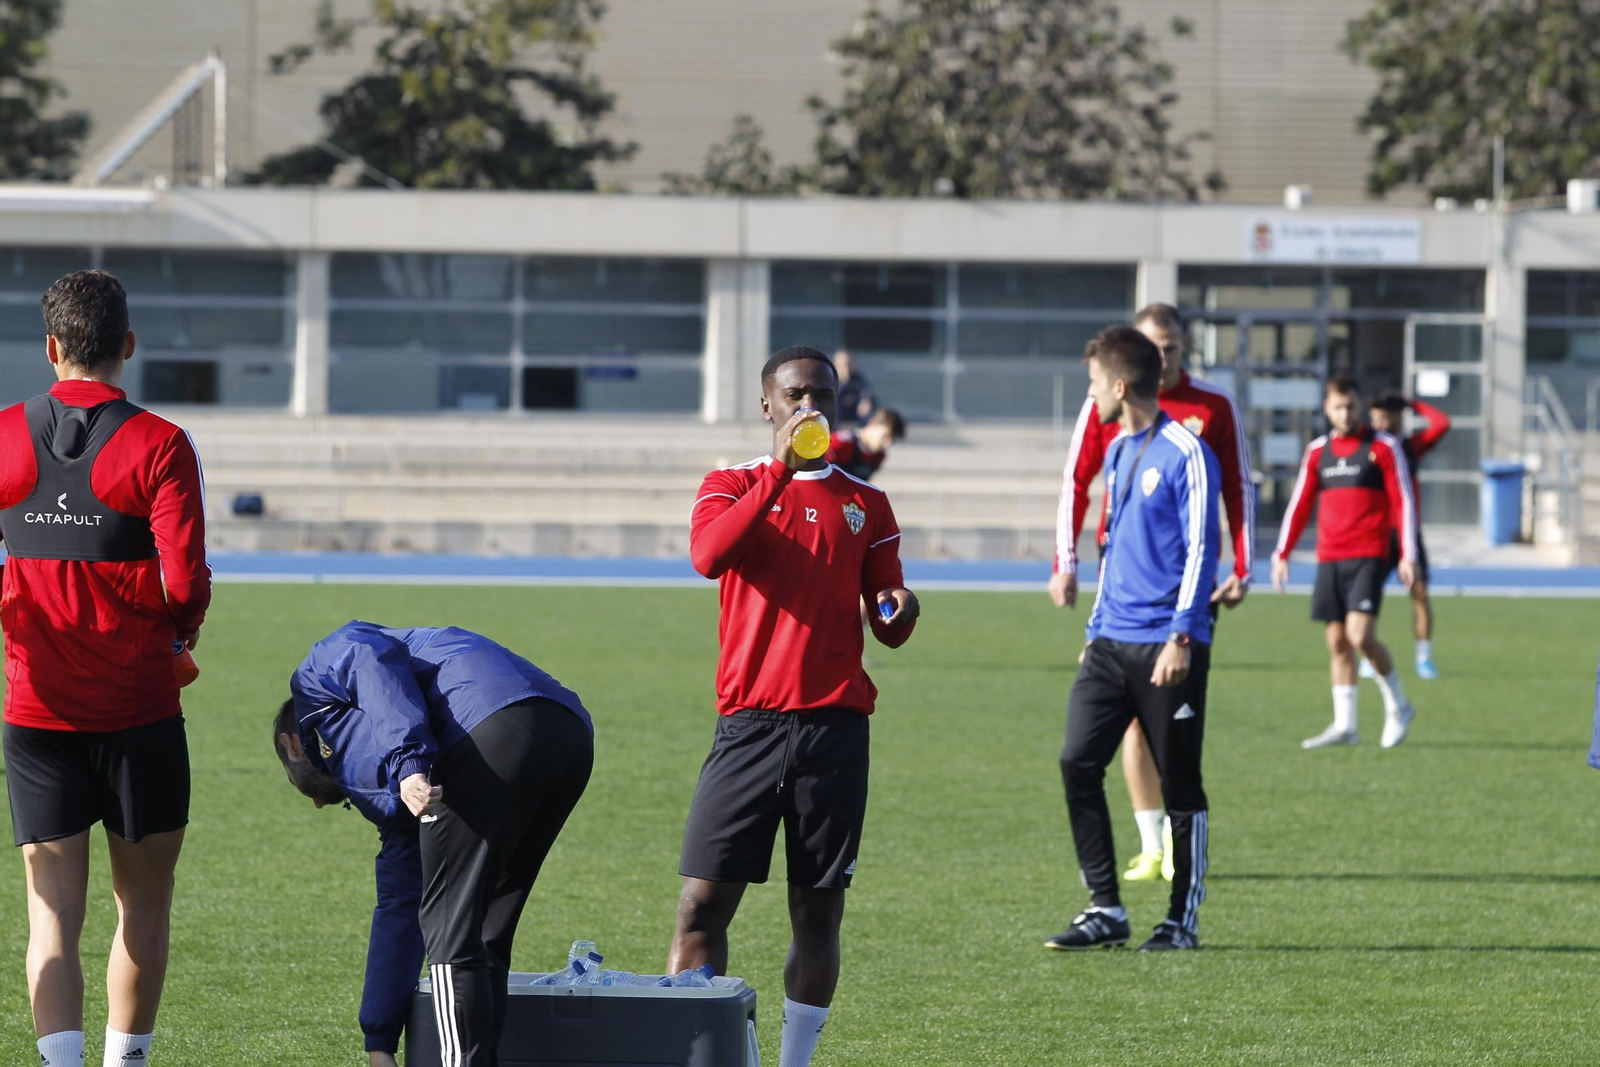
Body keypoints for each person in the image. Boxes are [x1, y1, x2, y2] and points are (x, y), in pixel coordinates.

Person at [670, 346, 920, 1067]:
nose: (810, 406)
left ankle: (793, 1061)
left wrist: (901, 608)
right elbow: (708, 556)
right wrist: (780, 470)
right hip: (747, 727)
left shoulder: (865, 503)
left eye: (822, 396)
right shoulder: (731, 482)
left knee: (817, 912)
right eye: (796, 395)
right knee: (700, 906)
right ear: (767, 405)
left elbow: (889, 622)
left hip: (833, 731)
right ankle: (699, 1054)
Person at [0, 269, 210, 1067]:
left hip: (36, 714)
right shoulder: (161, 443)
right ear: (127, 346)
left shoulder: (3, 434)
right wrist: (177, 634)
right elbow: (185, 581)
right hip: (141, 711)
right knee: (143, 906)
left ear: (51, 348)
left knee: (50, 918)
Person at [275, 621, 594, 1067]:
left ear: (293, 744)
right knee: (485, 934)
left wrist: (409, 764)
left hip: (486, 728)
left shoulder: (312, 682)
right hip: (568, 734)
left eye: (303, 790)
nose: (318, 805)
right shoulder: (399, 791)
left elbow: (366, 651)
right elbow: (401, 902)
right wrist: (379, 1041)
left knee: (451, 937)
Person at [1048, 304, 1254, 884]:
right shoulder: (1112, 432)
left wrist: (1240, 568)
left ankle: (1179, 875)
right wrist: (1070, 570)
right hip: (1119, 613)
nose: (1162, 358)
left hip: (1176, 608)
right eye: (1153, 347)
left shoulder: (1206, 417)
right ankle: (1144, 850)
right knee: (1089, 751)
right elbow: (1078, 485)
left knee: (1174, 752)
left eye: (1172, 347)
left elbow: (1231, 496)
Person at [1272, 377, 1419, 750]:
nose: (1345, 413)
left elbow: (1403, 501)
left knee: (1359, 636)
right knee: (1337, 641)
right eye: (1338, 407)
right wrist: (1282, 552)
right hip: (1330, 556)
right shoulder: (1317, 452)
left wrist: (1408, 554)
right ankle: (1345, 726)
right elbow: (1300, 504)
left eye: (1351, 406)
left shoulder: (1383, 447)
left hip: (1369, 554)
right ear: (1327, 408)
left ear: (1361, 407)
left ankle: (1399, 706)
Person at [1366, 391, 1451, 679]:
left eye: (1383, 416)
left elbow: (1441, 423)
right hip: (1376, 532)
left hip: (1408, 534)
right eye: (1373, 417)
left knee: (1419, 592)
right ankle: (1368, 653)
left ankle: (1423, 659)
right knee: (1369, 593)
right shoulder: (1369, 446)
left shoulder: (1411, 446)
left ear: (1396, 416)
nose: (1377, 422)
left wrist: (1413, 403)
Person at [826, 406, 906, 482]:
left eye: (892, 441)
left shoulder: (879, 456)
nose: (887, 444)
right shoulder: (841, 444)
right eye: (885, 436)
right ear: (872, 424)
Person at [832, 348, 878, 425]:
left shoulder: (858, 380)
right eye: (842, 365)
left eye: (848, 364)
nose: (846, 368)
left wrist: (866, 401)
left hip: (856, 413)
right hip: (838, 414)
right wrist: (843, 382)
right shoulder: (830, 380)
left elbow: (866, 394)